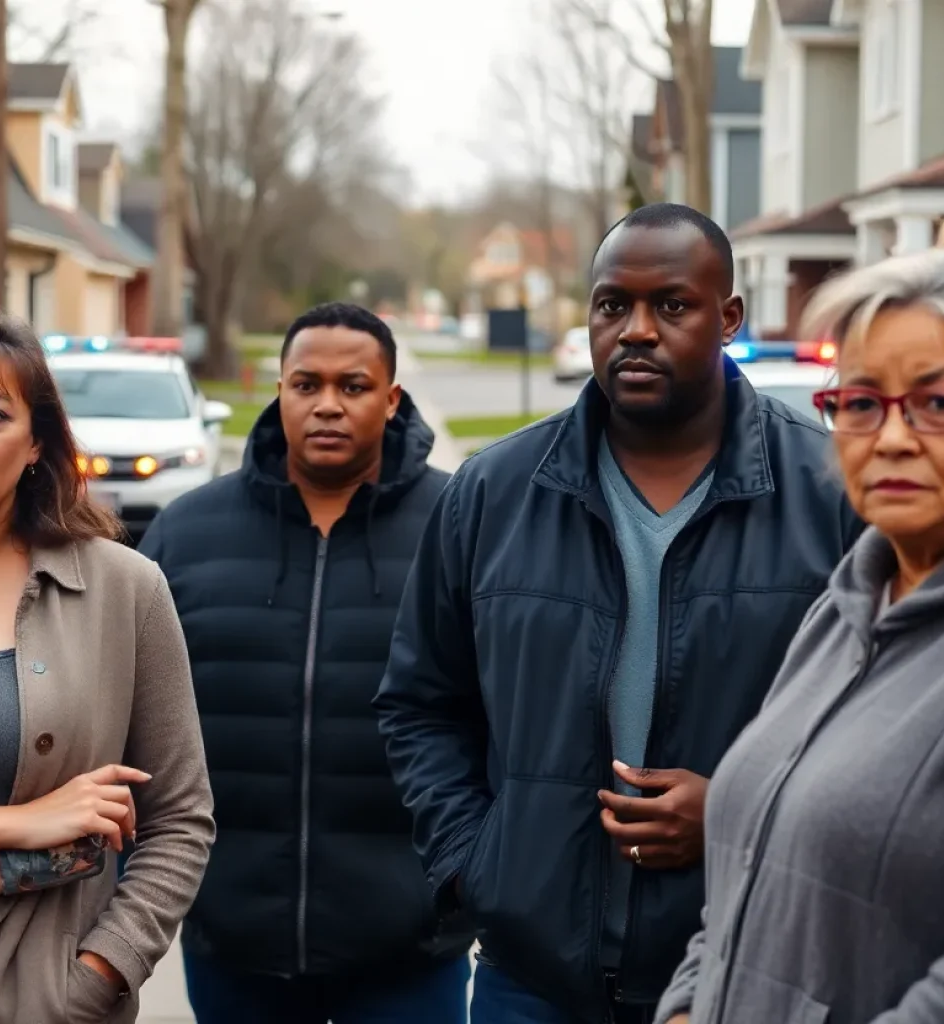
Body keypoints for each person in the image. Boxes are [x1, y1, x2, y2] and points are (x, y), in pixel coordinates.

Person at [375, 203, 864, 1024]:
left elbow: (881, 730)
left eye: (671, 305)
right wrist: (479, 865)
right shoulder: (493, 494)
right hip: (530, 981)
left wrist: (740, 813)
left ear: (729, 317)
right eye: (613, 305)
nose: (636, 330)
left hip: (749, 968)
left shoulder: (830, 494)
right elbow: (420, 703)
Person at [139, 302, 473, 1024]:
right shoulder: (185, 535)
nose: (327, 404)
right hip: (233, 939)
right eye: (306, 384)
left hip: (413, 947)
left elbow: (510, 713)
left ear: (391, 400)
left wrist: (469, 878)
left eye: (353, 387)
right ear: (279, 389)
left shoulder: (463, 528)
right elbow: (133, 718)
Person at [655, 248, 944, 1024]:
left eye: (939, 403)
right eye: (861, 402)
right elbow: (749, 857)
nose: (890, 438)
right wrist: (689, 1002)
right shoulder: (844, 604)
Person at [0, 310, 214, 1024]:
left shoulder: (125, 590)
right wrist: (23, 825)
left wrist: (96, 976)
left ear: (36, 444)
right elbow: (54, 831)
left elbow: (180, 819)